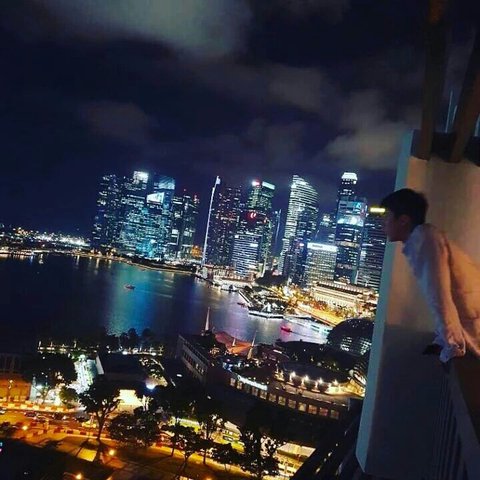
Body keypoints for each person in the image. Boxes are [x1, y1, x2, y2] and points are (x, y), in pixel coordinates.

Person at [380, 188, 480, 363]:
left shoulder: (425, 239)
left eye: (387, 217)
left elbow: (439, 296)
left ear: (403, 220)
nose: (383, 224)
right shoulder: (424, 237)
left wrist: (452, 345)